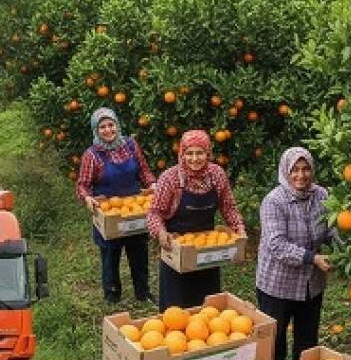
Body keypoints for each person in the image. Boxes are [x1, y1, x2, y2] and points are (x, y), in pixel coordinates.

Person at [147, 130, 246, 311]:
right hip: (176, 249)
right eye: (189, 153)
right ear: (182, 154)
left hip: (207, 250)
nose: (194, 158)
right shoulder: (170, 179)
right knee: (175, 310)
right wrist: (161, 232)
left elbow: (228, 206)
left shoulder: (216, 175)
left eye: (200, 153)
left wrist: (239, 229)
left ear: (208, 153)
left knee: (207, 307)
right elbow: (154, 213)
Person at [256, 147, 333, 360]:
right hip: (277, 285)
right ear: (285, 171)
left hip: (312, 285)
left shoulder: (322, 195)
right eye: (295, 170)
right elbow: (276, 245)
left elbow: (331, 230)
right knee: (274, 343)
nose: (301, 175)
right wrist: (313, 258)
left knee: (307, 343)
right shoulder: (274, 201)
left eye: (306, 169)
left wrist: (344, 250)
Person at [76, 107, 157, 305]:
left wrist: (152, 184)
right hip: (109, 213)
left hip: (135, 208)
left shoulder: (130, 145)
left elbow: (144, 171)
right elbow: (83, 185)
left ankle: (143, 292)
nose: (107, 130)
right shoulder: (92, 155)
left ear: (117, 125)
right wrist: (87, 198)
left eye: (111, 125)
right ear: (96, 130)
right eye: (102, 127)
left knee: (139, 251)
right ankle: (112, 295)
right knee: (110, 255)